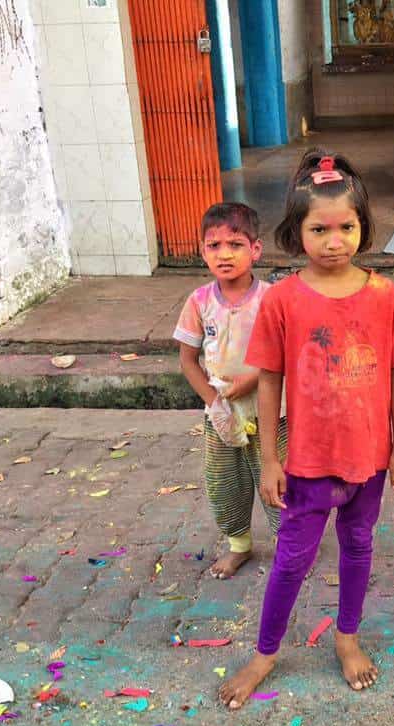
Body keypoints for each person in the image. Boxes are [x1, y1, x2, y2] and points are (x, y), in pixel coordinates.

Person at [219, 149, 394, 708]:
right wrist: (269, 460)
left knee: (358, 547)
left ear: (363, 227)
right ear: (296, 232)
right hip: (307, 463)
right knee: (292, 559)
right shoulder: (283, 300)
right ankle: (265, 652)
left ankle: (347, 636)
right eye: (319, 229)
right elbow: (267, 383)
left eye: (347, 227)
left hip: (371, 460)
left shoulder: (384, 296)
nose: (334, 241)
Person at [174, 202, 287, 580]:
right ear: (202, 252)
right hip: (222, 415)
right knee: (225, 483)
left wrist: (252, 380)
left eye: (235, 244)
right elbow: (188, 360)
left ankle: (289, 546)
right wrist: (214, 401)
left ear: (255, 250)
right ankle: (239, 545)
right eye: (214, 245)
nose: (224, 254)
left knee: (279, 480)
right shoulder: (199, 301)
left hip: (273, 412)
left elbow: (287, 353)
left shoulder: (272, 298)